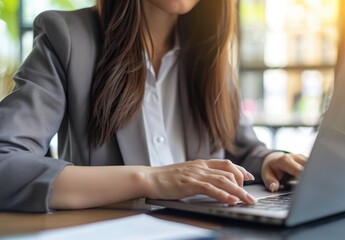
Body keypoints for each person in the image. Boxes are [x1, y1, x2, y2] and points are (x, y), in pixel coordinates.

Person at [0, 0, 307, 212]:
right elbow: (5, 163)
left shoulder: (209, 56)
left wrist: (269, 160)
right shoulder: (67, 38)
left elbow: (241, 150)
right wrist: (150, 179)